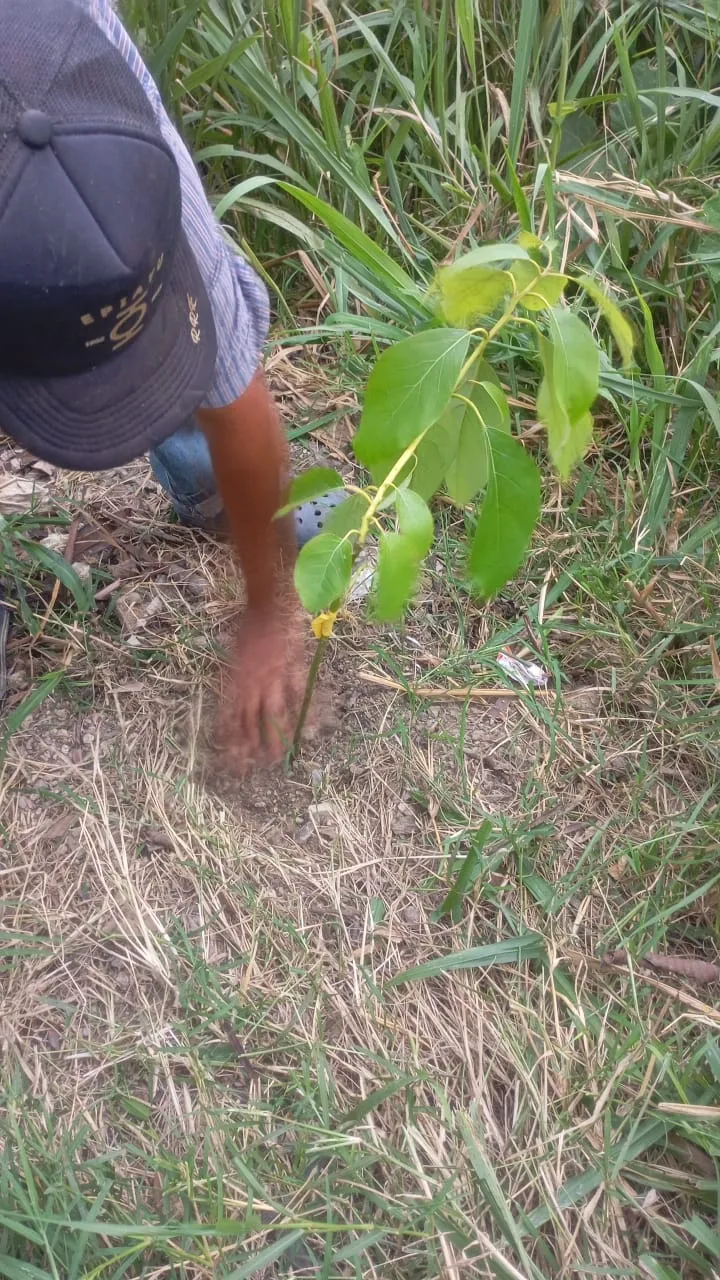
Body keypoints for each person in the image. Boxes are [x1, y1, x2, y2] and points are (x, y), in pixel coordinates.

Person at [0, 0, 336, 766]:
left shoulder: (109, 135)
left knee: (167, 319)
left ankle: (197, 469)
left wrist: (270, 611)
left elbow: (232, 384)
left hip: (53, 69)